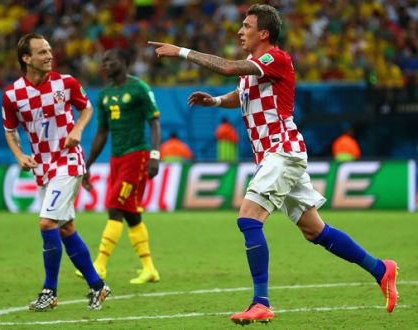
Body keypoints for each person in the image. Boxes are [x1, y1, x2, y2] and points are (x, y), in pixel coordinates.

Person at [149, 4, 398, 325]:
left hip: (282, 151)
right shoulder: (256, 70)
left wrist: (182, 51)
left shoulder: (275, 59)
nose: (240, 32)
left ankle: (260, 302)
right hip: (274, 156)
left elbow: (227, 68)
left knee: (248, 218)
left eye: (246, 26)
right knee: (314, 230)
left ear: (263, 33)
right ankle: (381, 269)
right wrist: (214, 101)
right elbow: (240, 91)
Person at [1, 33, 110, 311]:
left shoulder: (66, 83)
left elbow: (87, 108)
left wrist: (77, 129)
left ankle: (49, 291)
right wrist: (19, 156)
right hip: (41, 165)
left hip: (68, 160)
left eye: (49, 50)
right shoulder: (13, 95)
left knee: (47, 223)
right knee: (65, 228)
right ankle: (98, 286)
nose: (49, 56)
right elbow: (10, 131)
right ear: (26, 58)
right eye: (41, 52)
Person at [76, 48, 161, 284]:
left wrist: (155, 155)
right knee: (131, 214)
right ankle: (149, 269)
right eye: (102, 60)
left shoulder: (139, 89)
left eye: (109, 60)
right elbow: (102, 133)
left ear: (124, 61)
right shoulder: (103, 95)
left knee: (114, 206)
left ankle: (99, 266)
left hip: (137, 156)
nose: (104, 64)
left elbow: (154, 122)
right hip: (116, 158)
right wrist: (88, 165)